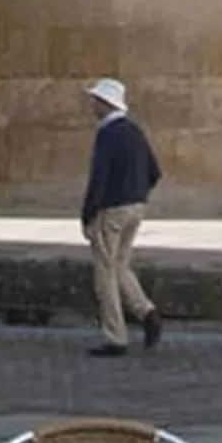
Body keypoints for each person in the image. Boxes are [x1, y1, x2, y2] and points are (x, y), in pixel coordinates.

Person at [77, 77, 163, 356]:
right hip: (136, 206)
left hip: (112, 208)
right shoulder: (134, 132)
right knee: (121, 265)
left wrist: (88, 214)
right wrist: (137, 194)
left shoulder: (107, 134)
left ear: (105, 104)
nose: (91, 105)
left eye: (95, 100)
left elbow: (98, 177)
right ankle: (146, 312)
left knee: (105, 272)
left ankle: (116, 336)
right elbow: (154, 171)